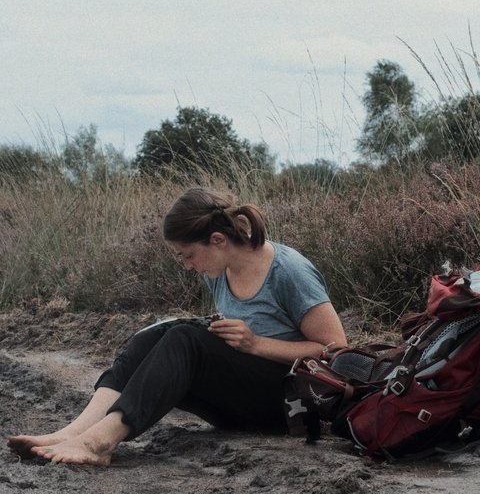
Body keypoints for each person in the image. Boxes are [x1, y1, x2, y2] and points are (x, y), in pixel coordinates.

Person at [8, 187, 346, 466]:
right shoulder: (219, 271)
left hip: (290, 405)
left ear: (218, 240)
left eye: (188, 255)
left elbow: (336, 352)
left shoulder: (289, 271)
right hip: (243, 402)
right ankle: (75, 432)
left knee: (185, 338)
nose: (187, 266)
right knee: (155, 336)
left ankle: (100, 443)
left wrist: (256, 343)